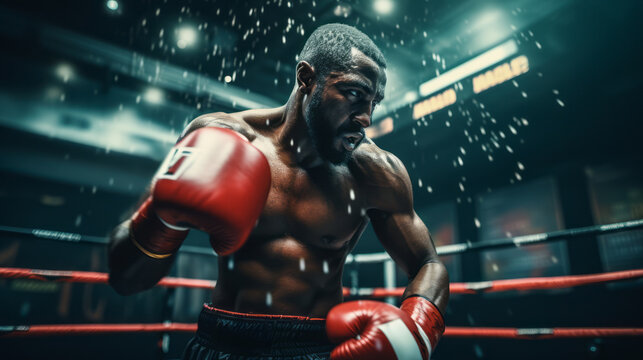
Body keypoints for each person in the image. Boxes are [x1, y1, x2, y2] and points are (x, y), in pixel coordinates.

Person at [108, 23, 449, 360]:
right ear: (306, 78)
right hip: (221, 342)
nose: (365, 117)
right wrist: (163, 218)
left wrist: (416, 332)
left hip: (312, 346)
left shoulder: (375, 173)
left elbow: (429, 264)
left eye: (374, 102)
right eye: (355, 94)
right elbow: (126, 279)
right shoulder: (221, 137)